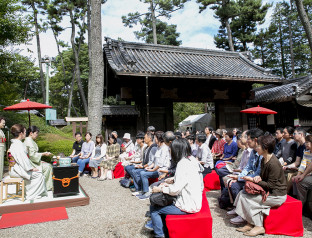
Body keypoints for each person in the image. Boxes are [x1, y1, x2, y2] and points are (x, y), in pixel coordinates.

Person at [230, 134, 287, 237]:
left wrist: (253, 180)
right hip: (268, 190)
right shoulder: (263, 159)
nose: (256, 148)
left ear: (265, 148)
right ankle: (250, 222)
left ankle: (258, 225)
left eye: (258, 146)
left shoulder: (273, 163)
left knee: (247, 199)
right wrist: (258, 178)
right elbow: (263, 177)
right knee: (243, 194)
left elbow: (270, 185)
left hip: (277, 195)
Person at [144, 138, 204, 237]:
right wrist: (172, 179)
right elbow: (186, 178)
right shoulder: (191, 159)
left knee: (154, 209)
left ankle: (159, 235)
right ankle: (162, 228)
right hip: (195, 200)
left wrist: (160, 189)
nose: (170, 151)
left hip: (188, 205)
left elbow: (175, 190)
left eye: (170, 149)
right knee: (159, 200)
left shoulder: (182, 164)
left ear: (176, 150)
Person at [224, 128, 264, 209]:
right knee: (231, 182)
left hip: (257, 180)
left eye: (248, 139)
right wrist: (239, 177)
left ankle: (241, 211)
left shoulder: (262, 154)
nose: (247, 141)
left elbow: (257, 173)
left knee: (235, 185)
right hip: (249, 177)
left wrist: (240, 178)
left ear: (255, 140)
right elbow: (247, 167)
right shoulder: (253, 151)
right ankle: (237, 208)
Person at [9, 124, 47, 200]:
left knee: (38, 172)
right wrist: (30, 168)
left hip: (17, 168)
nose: (25, 134)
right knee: (39, 174)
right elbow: (23, 160)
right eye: (25, 132)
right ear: (21, 133)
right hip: (17, 170)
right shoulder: (18, 145)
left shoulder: (17, 143)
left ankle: (32, 192)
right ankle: (31, 194)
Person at [137, 131, 171, 200]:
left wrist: (152, 170)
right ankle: (144, 191)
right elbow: (154, 161)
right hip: (156, 169)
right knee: (142, 172)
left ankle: (146, 192)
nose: (154, 139)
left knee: (143, 174)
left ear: (159, 138)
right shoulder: (158, 147)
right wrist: (149, 167)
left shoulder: (164, 148)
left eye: (155, 138)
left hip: (161, 171)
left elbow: (160, 164)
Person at [24, 126, 53, 191]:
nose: (37, 135)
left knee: (47, 165)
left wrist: (40, 159)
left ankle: (44, 185)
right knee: (48, 167)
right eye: (36, 133)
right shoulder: (29, 142)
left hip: (32, 161)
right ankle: (44, 186)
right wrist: (43, 154)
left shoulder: (29, 140)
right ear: (31, 133)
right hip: (32, 163)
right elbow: (32, 156)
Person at [283, 128, 306, 193]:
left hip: (305, 170)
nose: (293, 135)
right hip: (300, 168)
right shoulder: (299, 147)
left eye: (294, 133)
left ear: (301, 134)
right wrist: (287, 166)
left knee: (291, 176)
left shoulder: (307, 146)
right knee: (283, 172)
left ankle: (286, 194)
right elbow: (297, 162)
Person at [292, 135, 312, 204]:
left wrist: (304, 175)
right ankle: (297, 200)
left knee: (300, 182)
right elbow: (303, 165)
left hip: (309, 174)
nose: (305, 144)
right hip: (307, 174)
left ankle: (301, 203)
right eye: (305, 142)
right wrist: (298, 175)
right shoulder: (306, 152)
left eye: (307, 143)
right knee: (295, 179)